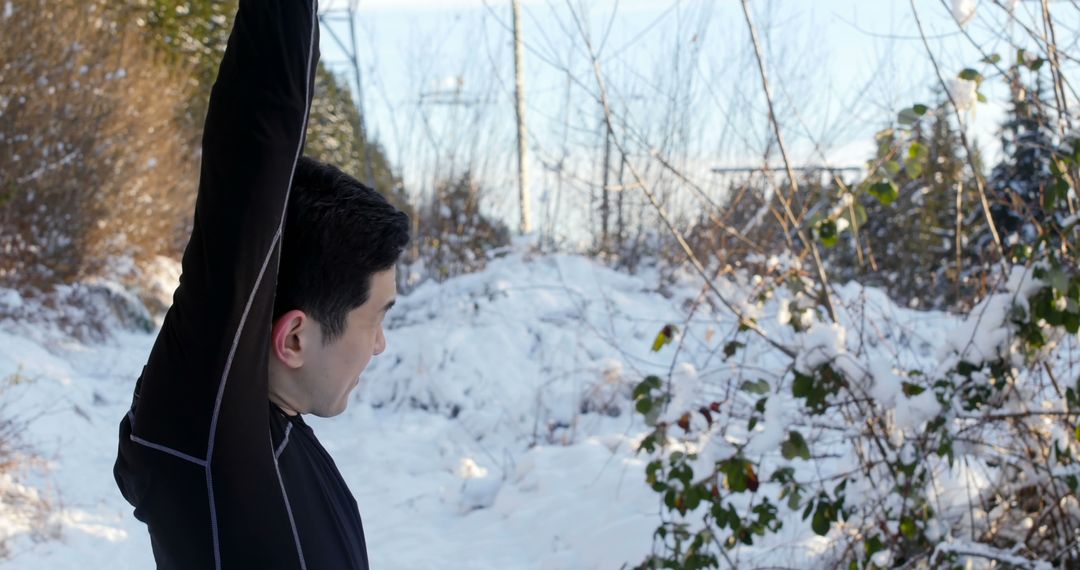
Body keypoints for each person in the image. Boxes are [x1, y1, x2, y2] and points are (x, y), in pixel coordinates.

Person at [112, 0, 409, 567]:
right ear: (294, 336)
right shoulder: (214, 443)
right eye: (378, 317)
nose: (380, 344)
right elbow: (260, 141)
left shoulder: (288, 435)